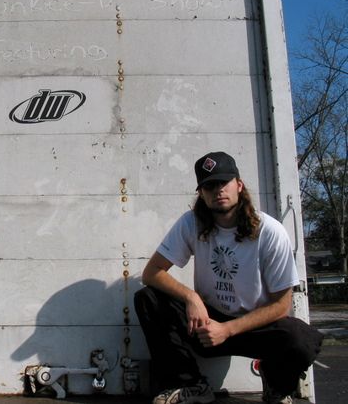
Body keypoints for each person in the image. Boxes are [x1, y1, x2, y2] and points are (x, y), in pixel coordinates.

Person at [134, 151, 323, 404]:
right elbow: (152, 273)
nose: (218, 190)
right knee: (147, 298)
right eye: (209, 186)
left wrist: (227, 329)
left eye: (224, 182)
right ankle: (190, 384)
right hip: (208, 326)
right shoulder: (192, 223)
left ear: (239, 185)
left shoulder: (270, 231)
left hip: (253, 327)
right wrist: (191, 297)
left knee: (301, 340)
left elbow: (282, 304)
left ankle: (276, 387)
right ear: (201, 194)